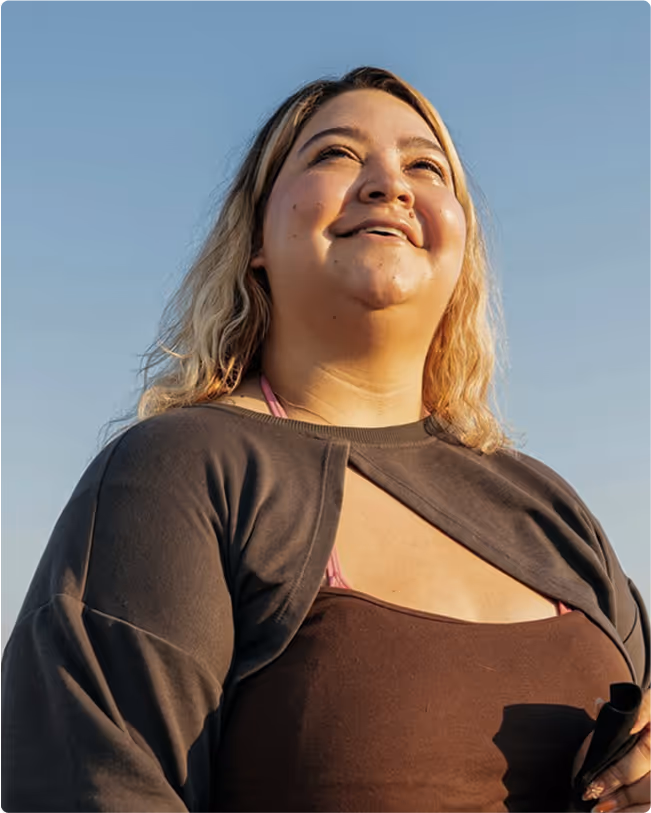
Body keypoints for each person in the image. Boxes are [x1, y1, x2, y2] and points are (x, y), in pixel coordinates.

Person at [1, 67, 649, 813]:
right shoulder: (179, 473)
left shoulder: (549, 505)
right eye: (335, 155)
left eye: (424, 166)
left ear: (462, 252)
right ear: (256, 242)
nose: (388, 185)